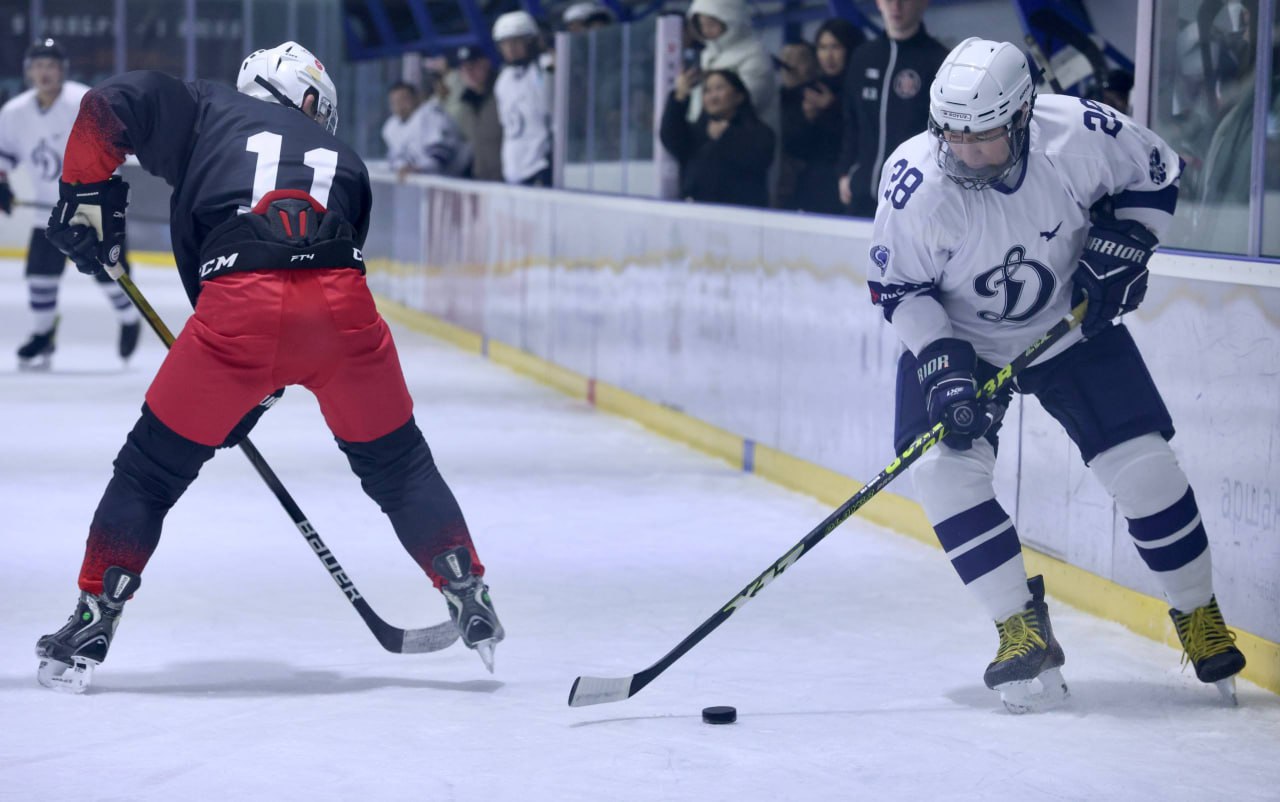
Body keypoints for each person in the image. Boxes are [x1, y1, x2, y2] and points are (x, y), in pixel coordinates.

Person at [34, 41, 505, 693]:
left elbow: (105, 107)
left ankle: (94, 616)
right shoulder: (347, 158)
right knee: (400, 465)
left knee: (148, 474)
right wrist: (262, 387)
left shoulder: (204, 108)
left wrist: (88, 194)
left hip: (238, 312)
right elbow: (315, 275)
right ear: (305, 99)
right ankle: (467, 587)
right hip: (345, 314)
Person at [866, 37, 1245, 713]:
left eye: (983, 139)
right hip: (966, 339)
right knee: (942, 474)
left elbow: (1157, 172)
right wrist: (943, 364)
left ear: (1022, 117)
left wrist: (1128, 241)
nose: (966, 154)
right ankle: (1018, 626)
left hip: (1069, 324)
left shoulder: (1079, 134)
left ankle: (1197, 612)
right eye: (952, 136)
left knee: (1145, 466)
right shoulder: (915, 183)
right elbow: (898, 289)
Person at [0, 38, 140, 369]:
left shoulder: (85, 102)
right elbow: (4, 155)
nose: (44, 72)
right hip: (47, 214)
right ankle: (42, 335)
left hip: (93, 208)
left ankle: (129, 318)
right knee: (39, 276)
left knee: (109, 274)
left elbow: (115, 146)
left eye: (51, 65)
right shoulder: (14, 112)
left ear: (62, 70)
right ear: (28, 71)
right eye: (38, 65)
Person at [837, 0, 946, 217]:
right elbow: (850, 122)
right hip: (861, 194)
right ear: (878, 3)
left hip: (912, 200)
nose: (895, 6)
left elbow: (943, 136)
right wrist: (844, 172)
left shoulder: (938, 61)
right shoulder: (863, 56)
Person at [778, 19, 864, 213]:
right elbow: (793, 145)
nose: (828, 55)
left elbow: (860, 134)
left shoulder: (862, 87)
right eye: (823, 47)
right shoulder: (813, 89)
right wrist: (806, 117)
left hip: (851, 183)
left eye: (836, 47)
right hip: (813, 187)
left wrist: (832, 108)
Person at [660, 68, 775, 208]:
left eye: (719, 88)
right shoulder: (698, 131)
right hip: (697, 212)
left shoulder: (759, 133)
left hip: (740, 215)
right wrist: (680, 97)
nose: (713, 96)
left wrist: (726, 137)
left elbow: (759, 158)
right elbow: (671, 137)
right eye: (707, 91)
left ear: (739, 96)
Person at [685, 0, 778, 131]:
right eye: (701, 25)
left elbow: (750, 100)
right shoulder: (708, 54)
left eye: (711, 24)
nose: (706, 31)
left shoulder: (754, 54)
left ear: (730, 19)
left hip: (747, 140)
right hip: (709, 137)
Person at [492, 11, 553, 186]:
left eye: (516, 41)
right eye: (505, 43)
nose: (510, 48)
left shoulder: (544, 67)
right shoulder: (503, 79)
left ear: (531, 40)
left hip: (540, 166)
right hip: (513, 170)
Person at [451, 47, 503, 182]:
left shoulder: (502, 94)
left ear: (486, 64)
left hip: (508, 180)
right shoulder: (465, 104)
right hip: (480, 181)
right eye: (464, 68)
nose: (469, 73)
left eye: (473, 66)